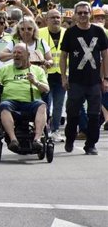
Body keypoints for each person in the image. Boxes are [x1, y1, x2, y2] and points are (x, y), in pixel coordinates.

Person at [59, 1, 108, 155]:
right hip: (75, 81)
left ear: (90, 14)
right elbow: (63, 56)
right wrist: (63, 77)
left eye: (85, 12)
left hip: (94, 82)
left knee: (94, 115)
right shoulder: (70, 33)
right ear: (75, 15)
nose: (82, 15)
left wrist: (106, 78)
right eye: (79, 13)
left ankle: (91, 144)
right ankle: (69, 139)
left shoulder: (98, 32)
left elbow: (105, 55)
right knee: (72, 114)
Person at [0, 43, 49, 152]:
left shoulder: (37, 70)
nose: (16, 55)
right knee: (4, 105)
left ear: (27, 55)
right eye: (14, 53)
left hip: (31, 102)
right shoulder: (5, 70)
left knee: (42, 105)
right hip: (11, 102)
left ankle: (37, 139)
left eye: (19, 53)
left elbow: (46, 89)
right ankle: (13, 140)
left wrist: (35, 82)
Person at [38, 9, 66, 142]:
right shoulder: (39, 33)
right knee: (45, 104)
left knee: (59, 104)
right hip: (45, 75)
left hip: (62, 74)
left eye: (58, 17)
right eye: (52, 17)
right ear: (46, 20)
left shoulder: (67, 33)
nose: (56, 20)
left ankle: (55, 130)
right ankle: (44, 129)